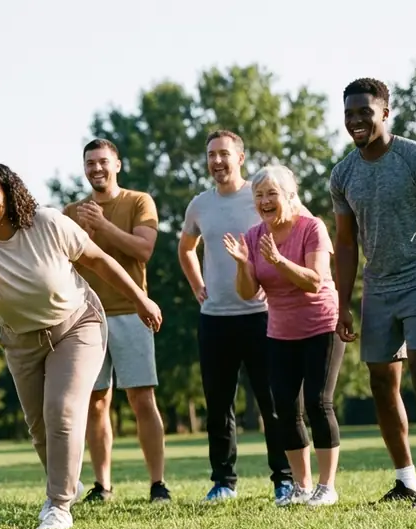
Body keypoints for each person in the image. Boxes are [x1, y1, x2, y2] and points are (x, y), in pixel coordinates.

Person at [0, 163, 162, 529]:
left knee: (63, 409)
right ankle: (67, 480)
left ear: (8, 194)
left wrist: (139, 299)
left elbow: (98, 260)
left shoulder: (48, 223)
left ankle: (58, 506)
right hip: (21, 342)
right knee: (39, 429)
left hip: (76, 325)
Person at [330, 78, 416, 508]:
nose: (356, 121)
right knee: (380, 381)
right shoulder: (343, 174)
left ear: (385, 113)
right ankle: (404, 479)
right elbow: (347, 244)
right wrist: (343, 303)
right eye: (349, 113)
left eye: (364, 113)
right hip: (379, 283)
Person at [179, 130, 296, 503]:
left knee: (272, 402)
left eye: (224, 154)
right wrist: (198, 284)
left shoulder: (260, 196)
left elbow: (299, 224)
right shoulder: (200, 205)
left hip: (262, 315)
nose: (216, 161)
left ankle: (284, 478)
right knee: (218, 406)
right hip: (214, 319)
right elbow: (186, 247)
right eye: (211, 154)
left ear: (240, 158)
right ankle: (224, 482)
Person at [224, 165, 344, 507]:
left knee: (319, 404)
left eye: (271, 194)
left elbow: (314, 281)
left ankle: (327, 487)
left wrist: (277, 260)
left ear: (290, 197)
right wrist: (241, 264)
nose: (264, 201)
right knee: (284, 408)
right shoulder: (252, 236)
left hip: (321, 324)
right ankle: (302, 486)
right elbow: (248, 293)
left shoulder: (312, 228)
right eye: (258, 195)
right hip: (280, 330)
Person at [63, 139, 169, 504]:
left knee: (142, 399)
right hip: (86, 317)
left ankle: (158, 484)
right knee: (95, 402)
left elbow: (143, 250)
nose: (97, 169)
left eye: (103, 162)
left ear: (117, 165)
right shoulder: (71, 211)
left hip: (131, 312)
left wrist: (102, 227)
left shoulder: (139, 202)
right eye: (90, 163)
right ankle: (102, 485)